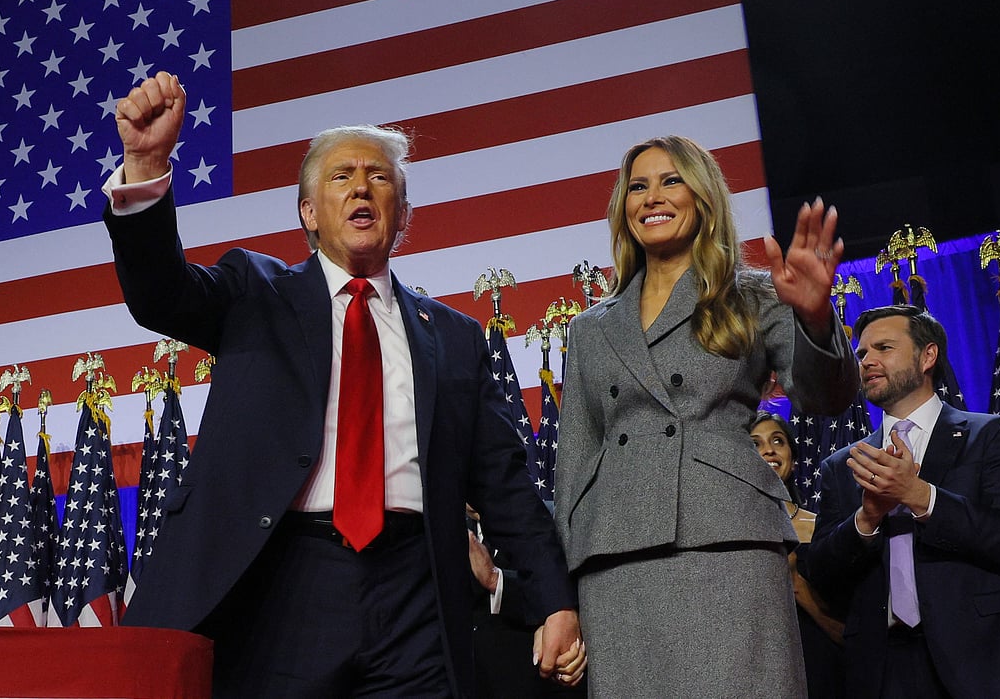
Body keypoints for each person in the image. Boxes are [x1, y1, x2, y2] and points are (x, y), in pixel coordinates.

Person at [106, 71, 585, 697]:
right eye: (341, 176)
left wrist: (554, 602)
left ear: (403, 213)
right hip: (286, 581)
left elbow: (505, 486)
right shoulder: (256, 291)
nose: (362, 185)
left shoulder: (457, 339)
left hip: (416, 591)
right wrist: (145, 164)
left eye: (379, 177)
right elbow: (161, 295)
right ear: (308, 211)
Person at [553, 135, 860, 696]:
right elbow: (575, 461)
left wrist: (817, 320)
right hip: (616, 560)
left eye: (671, 180)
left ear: (703, 197)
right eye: (638, 186)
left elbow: (826, 397)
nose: (652, 196)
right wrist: (561, 594)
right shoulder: (592, 327)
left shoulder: (753, 295)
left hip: (728, 541)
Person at [807, 304, 1000, 698]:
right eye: (862, 353)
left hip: (982, 661)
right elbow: (822, 573)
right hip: (882, 669)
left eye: (883, 348)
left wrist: (919, 495)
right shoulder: (842, 465)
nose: (867, 361)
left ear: (928, 356)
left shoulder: (992, 436)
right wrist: (866, 519)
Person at [749, 411, 846, 698]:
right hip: (753, 666)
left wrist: (796, 585)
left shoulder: (820, 526)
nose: (768, 449)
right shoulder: (724, 533)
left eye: (777, 441)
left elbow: (846, 625)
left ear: (792, 456)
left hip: (819, 666)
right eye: (754, 444)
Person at [466, 507, 587, 698]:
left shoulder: (546, 520)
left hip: (528, 683)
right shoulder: (439, 530)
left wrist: (497, 581)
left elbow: (574, 597)